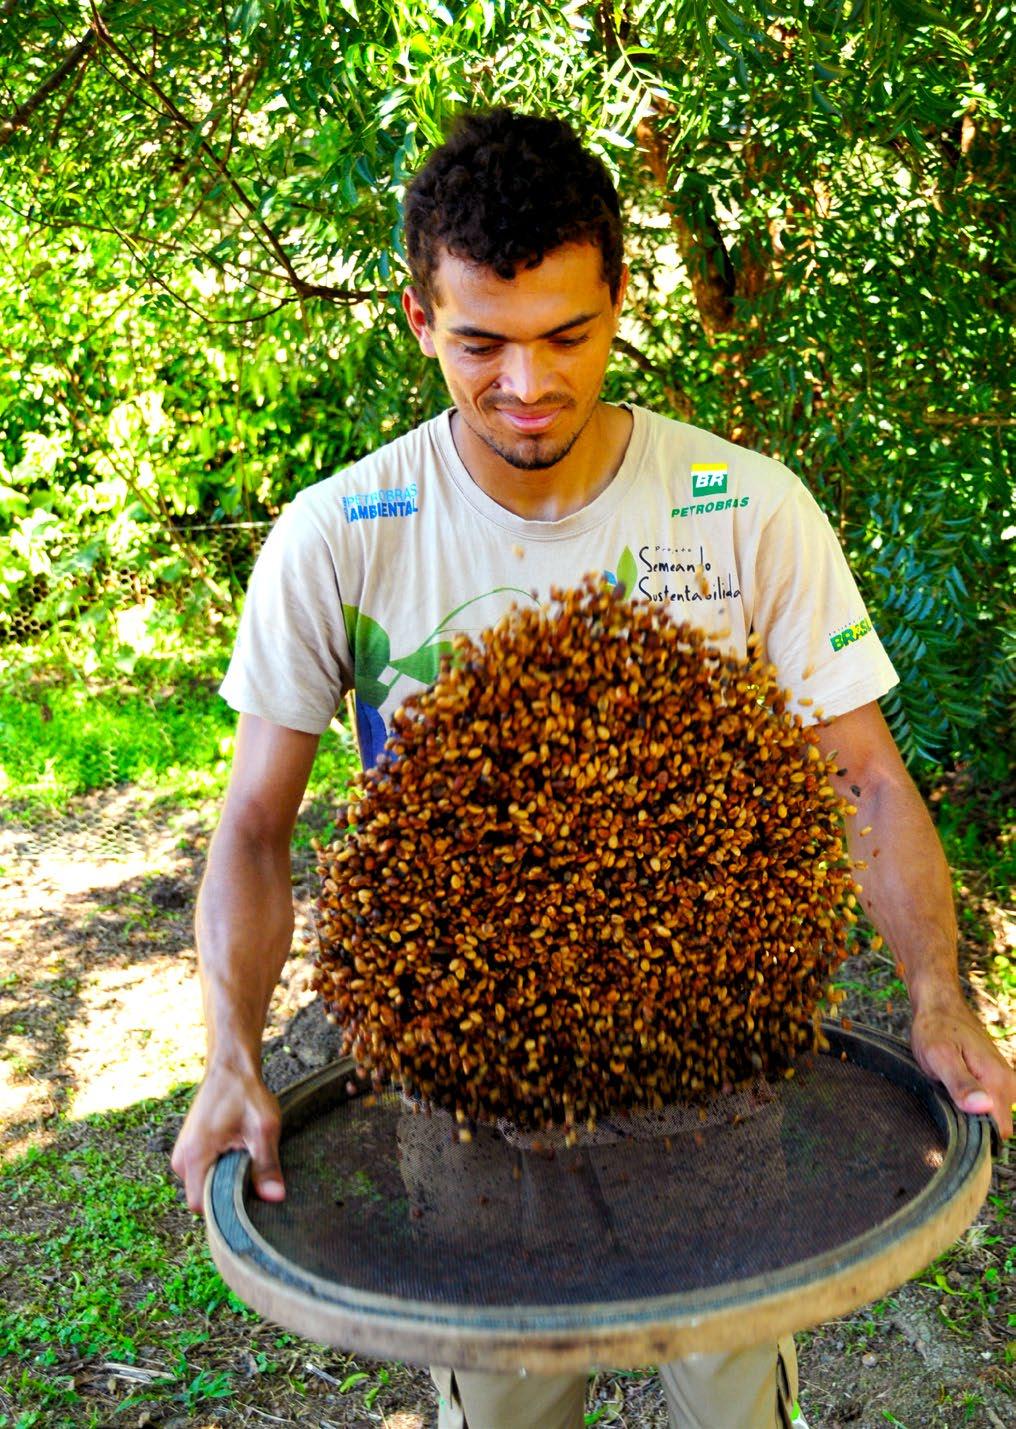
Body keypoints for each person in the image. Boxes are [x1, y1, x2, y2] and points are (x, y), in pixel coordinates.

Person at [172, 108, 1016, 1429]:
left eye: (567, 334)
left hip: (719, 1070)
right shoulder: (340, 536)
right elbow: (257, 830)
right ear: (417, 320)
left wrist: (936, 986)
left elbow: (862, 775)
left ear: (621, 300)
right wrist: (229, 1048)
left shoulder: (745, 508)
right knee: (507, 1411)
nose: (528, 381)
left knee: (735, 1399)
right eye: (481, 343)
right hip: (468, 1095)